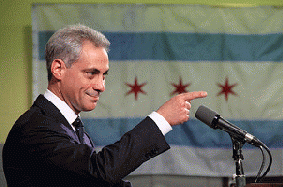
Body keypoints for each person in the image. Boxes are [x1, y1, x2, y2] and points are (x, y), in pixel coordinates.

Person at [2, 24, 207, 187]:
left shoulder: (67, 122)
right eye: (91, 73)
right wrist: (161, 119)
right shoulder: (36, 128)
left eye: (103, 75)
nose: (101, 86)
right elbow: (99, 172)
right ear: (58, 69)